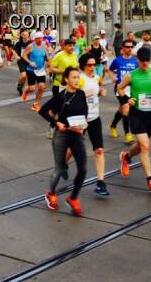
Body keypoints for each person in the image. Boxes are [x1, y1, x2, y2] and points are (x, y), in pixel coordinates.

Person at [118, 46, 151, 193]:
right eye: (142, 61)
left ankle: (126, 157)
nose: (145, 63)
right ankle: (150, 180)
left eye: (147, 60)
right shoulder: (131, 75)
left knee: (142, 145)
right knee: (146, 146)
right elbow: (120, 88)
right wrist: (128, 99)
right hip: (136, 114)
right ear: (137, 60)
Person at [39, 66, 90, 216]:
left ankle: (73, 198)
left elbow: (85, 112)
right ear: (67, 79)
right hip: (62, 135)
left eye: (78, 77)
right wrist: (56, 123)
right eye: (74, 77)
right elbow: (43, 111)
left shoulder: (81, 94)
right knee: (60, 169)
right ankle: (51, 193)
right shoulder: (61, 96)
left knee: (83, 169)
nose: (77, 80)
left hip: (77, 135)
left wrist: (85, 124)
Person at [77, 53, 110, 196]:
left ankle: (100, 182)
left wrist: (101, 91)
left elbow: (100, 87)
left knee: (99, 150)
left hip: (94, 118)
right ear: (83, 66)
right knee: (72, 150)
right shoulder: (80, 79)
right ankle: (63, 164)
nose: (92, 67)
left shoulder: (97, 77)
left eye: (94, 64)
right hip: (80, 120)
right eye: (89, 65)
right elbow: (71, 95)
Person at [108, 40, 139, 142]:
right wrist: (112, 77)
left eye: (131, 47)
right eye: (127, 47)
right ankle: (128, 134)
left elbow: (138, 73)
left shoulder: (135, 61)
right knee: (126, 108)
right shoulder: (117, 60)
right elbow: (110, 70)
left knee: (122, 110)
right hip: (120, 88)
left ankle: (113, 125)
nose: (130, 49)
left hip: (131, 89)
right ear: (123, 48)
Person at [22, 32, 51, 111]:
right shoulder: (31, 46)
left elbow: (46, 57)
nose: (40, 40)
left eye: (41, 38)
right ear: (35, 39)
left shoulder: (44, 46)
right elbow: (24, 55)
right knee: (32, 89)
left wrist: (48, 65)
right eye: (38, 38)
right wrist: (30, 62)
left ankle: (36, 104)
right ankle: (26, 90)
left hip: (41, 70)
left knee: (42, 87)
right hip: (31, 70)